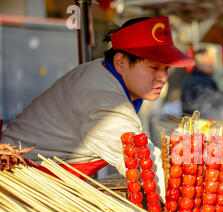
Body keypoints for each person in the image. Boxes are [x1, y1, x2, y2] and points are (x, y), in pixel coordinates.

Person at [0, 16, 195, 199]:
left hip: (48, 183)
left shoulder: (103, 72)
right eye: (154, 67)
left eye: (166, 68)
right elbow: (147, 168)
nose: (162, 77)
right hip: (23, 186)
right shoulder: (105, 103)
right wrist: (192, 196)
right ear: (120, 62)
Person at [181, 48, 223, 120]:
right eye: (209, 61)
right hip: (201, 124)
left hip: (188, 121)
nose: (212, 64)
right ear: (201, 63)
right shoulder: (206, 81)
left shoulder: (188, 79)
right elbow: (219, 103)